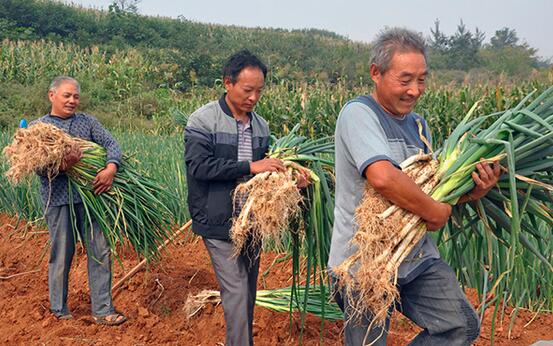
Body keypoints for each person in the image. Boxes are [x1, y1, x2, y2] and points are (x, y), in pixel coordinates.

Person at [328, 28, 500, 346]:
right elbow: (382, 176)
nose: (415, 90)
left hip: (415, 256)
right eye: (405, 79)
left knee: (459, 326)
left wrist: (470, 192)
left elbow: (430, 190)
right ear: (375, 73)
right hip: (364, 261)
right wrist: (435, 211)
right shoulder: (359, 114)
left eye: (422, 79)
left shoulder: (419, 126)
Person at [184, 50, 307, 346]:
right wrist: (250, 166)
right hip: (217, 220)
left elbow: (268, 173)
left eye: (259, 91)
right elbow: (199, 167)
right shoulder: (203, 121)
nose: (253, 97)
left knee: (248, 292)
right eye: (247, 90)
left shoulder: (261, 126)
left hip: (252, 220)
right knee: (237, 291)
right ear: (228, 82)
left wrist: (293, 178)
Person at [32, 76, 126, 325]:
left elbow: (111, 143)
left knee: (100, 250)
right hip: (59, 200)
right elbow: (39, 168)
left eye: (76, 96)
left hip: (91, 198)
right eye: (67, 95)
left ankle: (103, 310)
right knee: (62, 253)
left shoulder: (88, 122)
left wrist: (110, 168)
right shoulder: (39, 128)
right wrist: (65, 165)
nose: (72, 100)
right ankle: (59, 311)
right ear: (52, 96)